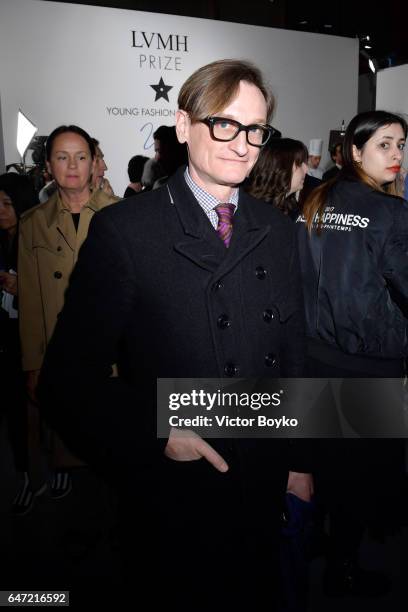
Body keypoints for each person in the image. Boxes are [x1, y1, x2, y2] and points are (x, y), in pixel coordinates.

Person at [37, 60, 312, 609]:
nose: (243, 144)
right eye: (225, 125)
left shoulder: (279, 230)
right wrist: (158, 429)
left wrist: (300, 462)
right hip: (175, 491)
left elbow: (292, 355)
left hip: (261, 478)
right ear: (184, 125)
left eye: (256, 129)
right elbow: (65, 382)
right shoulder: (126, 231)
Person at [297, 110, 408, 597]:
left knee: (330, 465)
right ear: (355, 152)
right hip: (370, 366)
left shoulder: (314, 200)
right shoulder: (390, 213)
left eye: (401, 145)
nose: (397, 156)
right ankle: (346, 568)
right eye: (384, 145)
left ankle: (323, 551)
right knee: (364, 477)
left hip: (316, 357)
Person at [18, 125, 118, 500]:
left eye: (81, 156)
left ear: (94, 163)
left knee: (115, 456)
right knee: (70, 452)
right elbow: (29, 302)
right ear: (48, 165)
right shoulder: (32, 224)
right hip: (62, 358)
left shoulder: (123, 215)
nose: (72, 166)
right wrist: (33, 364)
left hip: (114, 361)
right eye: (62, 157)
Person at [0, 173, 40, 515]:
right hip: (6, 340)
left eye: (7, 204)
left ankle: (52, 471)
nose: (0, 211)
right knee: (15, 413)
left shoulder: (34, 239)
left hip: (31, 338)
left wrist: (20, 285)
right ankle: (25, 475)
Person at [248, 137, 309, 219]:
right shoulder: (254, 210)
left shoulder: (293, 209)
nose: (306, 170)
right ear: (281, 167)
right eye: (300, 164)